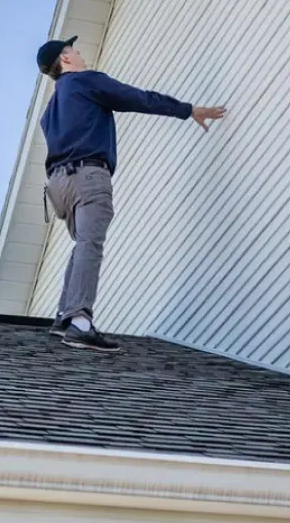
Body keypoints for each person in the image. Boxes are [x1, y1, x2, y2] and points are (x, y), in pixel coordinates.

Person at [37, 35, 226, 352]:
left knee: (82, 243)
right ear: (65, 59)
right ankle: (80, 323)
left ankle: (63, 317)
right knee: (90, 244)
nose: (80, 52)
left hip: (58, 185)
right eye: (74, 50)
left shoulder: (51, 109)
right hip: (87, 174)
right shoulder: (86, 81)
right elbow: (138, 98)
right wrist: (187, 110)